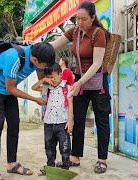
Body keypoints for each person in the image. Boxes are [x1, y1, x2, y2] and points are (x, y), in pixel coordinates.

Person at [50, 1, 111, 174]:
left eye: (84, 19)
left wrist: (79, 82)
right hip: (80, 81)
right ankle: (75, 155)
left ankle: (102, 159)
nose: (80, 22)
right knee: (77, 118)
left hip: (97, 81)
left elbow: (97, 63)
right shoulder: (74, 32)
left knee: (102, 120)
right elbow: (54, 44)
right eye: (77, 18)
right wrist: (33, 46)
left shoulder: (99, 34)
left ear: (92, 18)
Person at [0, 42, 55, 180]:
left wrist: (51, 86)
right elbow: (11, 88)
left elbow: (42, 79)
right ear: (35, 60)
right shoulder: (14, 58)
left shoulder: (38, 56)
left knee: (14, 125)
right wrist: (35, 99)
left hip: (9, 91)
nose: (44, 69)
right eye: (44, 66)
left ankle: (11, 164)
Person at [32, 63, 73, 174]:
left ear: (60, 75)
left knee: (65, 147)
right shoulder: (46, 88)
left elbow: (70, 104)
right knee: (49, 147)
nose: (52, 80)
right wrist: (43, 80)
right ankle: (50, 167)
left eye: (53, 77)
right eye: (49, 77)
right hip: (48, 124)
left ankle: (65, 168)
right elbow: (33, 87)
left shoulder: (67, 87)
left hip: (62, 123)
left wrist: (70, 121)